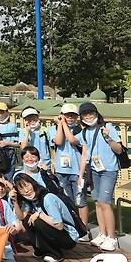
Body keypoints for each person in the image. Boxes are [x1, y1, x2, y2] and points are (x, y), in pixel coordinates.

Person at [76, 102, 123, 252]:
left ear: (96, 113)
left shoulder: (107, 127)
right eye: (85, 114)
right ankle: (102, 234)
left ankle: (112, 237)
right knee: (97, 202)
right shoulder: (84, 132)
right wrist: (80, 174)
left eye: (91, 113)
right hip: (94, 170)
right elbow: (84, 154)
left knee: (105, 203)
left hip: (108, 169)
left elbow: (119, 149)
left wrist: (108, 138)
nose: (89, 116)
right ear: (81, 117)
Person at [11, 173, 78, 262]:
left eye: (27, 185)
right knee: (27, 219)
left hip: (69, 237)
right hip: (58, 232)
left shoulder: (47, 198)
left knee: (38, 221)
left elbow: (59, 225)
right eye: (21, 189)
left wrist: (39, 214)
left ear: (32, 183)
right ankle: (40, 250)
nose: (26, 191)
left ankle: (56, 254)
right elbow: (21, 217)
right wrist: (15, 201)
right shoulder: (30, 200)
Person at [51, 103, 90, 240]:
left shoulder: (81, 129)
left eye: (73, 115)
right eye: (67, 115)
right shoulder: (54, 128)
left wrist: (64, 125)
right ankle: (73, 226)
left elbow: (72, 140)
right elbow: (59, 141)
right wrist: (61, 125)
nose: (70, 118)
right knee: (67, 200)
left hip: (77, 170)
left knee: (80, 200)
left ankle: (84, 228)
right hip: (62, 170)